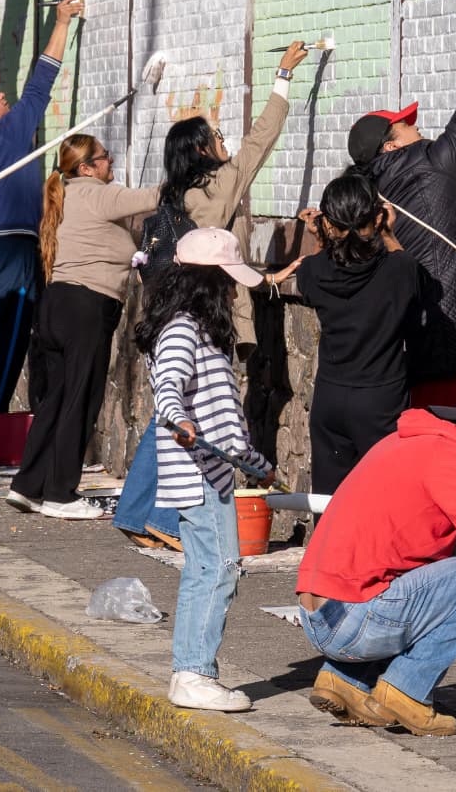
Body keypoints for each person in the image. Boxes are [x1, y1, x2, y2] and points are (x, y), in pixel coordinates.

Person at [111, 42, 307, 550]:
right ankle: (166, 519)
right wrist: (282, 75)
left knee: (169, 409)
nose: (225, 143)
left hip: (166, 305)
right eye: (217, 137)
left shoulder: (171, 193)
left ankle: (137, 512)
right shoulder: (217, 184)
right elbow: (260, 142)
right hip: (203, 308)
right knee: (194, 414)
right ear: (201, 149)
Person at [294, 385, 456, 735]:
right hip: (356, 621)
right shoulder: (450, 458)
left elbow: (443, 591)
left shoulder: (407, 442)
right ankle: (407, 690)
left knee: (416, 578)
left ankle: (345, 680)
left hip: (318, 616)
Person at [346, 0, 456, 408]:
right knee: (445, 430)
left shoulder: (366, 194)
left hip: (400, 336)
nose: (416, 125)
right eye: (405, 126)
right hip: (446, 327)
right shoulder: (430, 164)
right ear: (389, 148)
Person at [138, 228, 274, 712]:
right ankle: (194, 672)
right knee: (216, 570)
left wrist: (258, 468)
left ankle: (192, 670)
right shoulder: (183, 330)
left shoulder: (192, 328)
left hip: (211, 470)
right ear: (209, 283)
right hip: (198, 473)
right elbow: (170, 388)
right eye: (229, 282)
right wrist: (179, 420)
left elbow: (225, 424)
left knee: (208, 569)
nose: (235, 291)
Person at [0, 0, 83, 464]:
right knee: (9, 341)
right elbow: (42, 81)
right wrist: (62, 21)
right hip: (11, 250)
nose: (1, 93)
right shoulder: (5, 132)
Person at [5, 134, 159, 520]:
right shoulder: (98, 193)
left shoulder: (66, 194)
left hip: (55, 303)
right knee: (81, 399)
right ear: (86, 167)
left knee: (55, 400)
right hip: (86, 307)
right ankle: (60, 493)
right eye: (105, 158)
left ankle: (27, 485)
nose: (111, 164)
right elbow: (154, 197)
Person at [295, 172, 421, 494]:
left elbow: (315, 275)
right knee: (384, 494)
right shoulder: (399, 270)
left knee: (330, 497)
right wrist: (389, 233)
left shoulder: (312, 271)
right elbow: (414, 281)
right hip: (381, 399)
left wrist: (321, 241)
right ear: (377, 218)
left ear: (328, 223)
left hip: (331, 398)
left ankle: (330, 546)